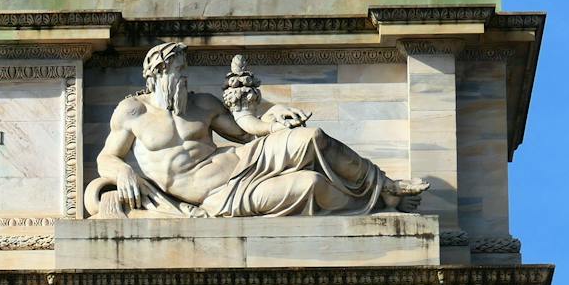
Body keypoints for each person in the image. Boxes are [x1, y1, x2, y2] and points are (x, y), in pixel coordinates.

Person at [94, 42, 427, 217]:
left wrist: (274, 119)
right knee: (310, 184)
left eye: (184, 71)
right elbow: (107, 157)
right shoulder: (132, 111)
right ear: (155, 75)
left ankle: (385, 184)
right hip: (218, 196)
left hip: (242, 160)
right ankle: (378, 208)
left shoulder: (203, 104)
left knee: (312, 138)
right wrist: (122, 172)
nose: (182, 78)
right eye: (176, 71)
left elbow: (244, 131)